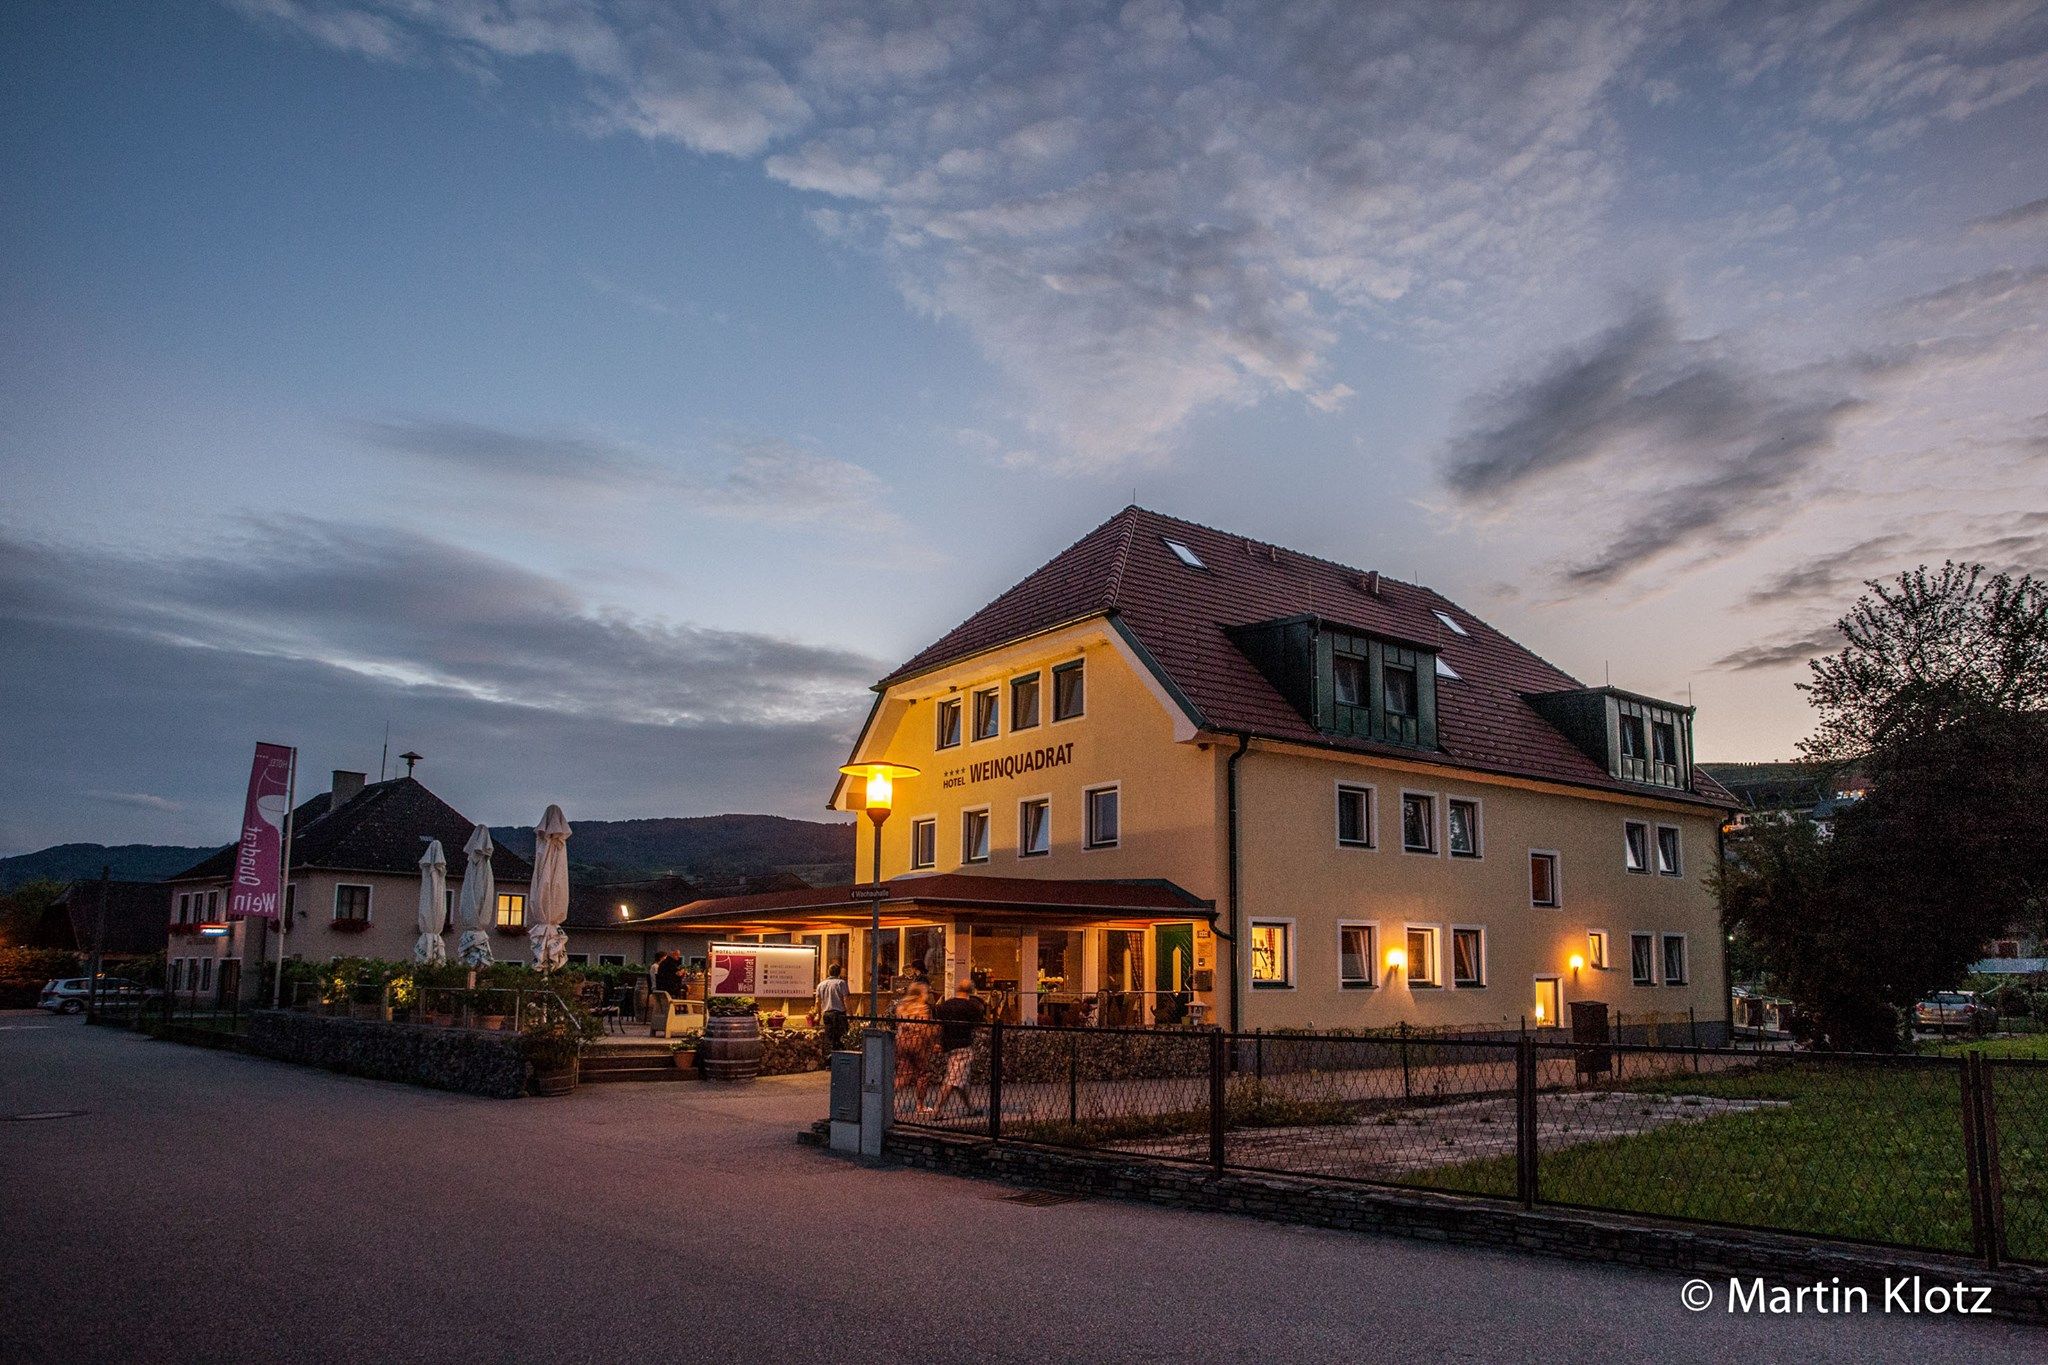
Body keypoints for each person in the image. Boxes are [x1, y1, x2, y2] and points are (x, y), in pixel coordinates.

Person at [931, 982, 987, 1118]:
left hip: (948, 1045)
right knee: (952, 1080)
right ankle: (937, 1112)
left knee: (960, 1080)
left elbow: (938, 1026)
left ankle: (970, 1109)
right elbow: (980, 1025)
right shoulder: (972, 1007)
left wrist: (937, 1042)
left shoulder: (946, 1005)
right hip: (963, 1045)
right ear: (972, 990)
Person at [891, 982, 939, 1115]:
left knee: (904, 1074)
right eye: (925, 993)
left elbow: (900, 1024)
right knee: (923, 1073)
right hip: (918, 1042)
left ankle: (886, 1098)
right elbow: (923, 1027)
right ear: (919, 994)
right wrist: (932, 1042)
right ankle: (920, 1105)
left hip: (902, 1042)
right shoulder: (922, 1007)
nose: (927, 995)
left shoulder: (902, 1006)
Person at [814, 961, 850, 1051]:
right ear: (839, 973)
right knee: (841, 1039)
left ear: (828, 972)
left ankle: (830, 1059)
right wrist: (850, 1014)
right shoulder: (841, 983)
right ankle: (839, 1058)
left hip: (827, 1014)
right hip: (839, 1014)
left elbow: (817, 1002)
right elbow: (846, 999)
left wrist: (818, 1015)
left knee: (829, 1038)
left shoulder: (821, 985)